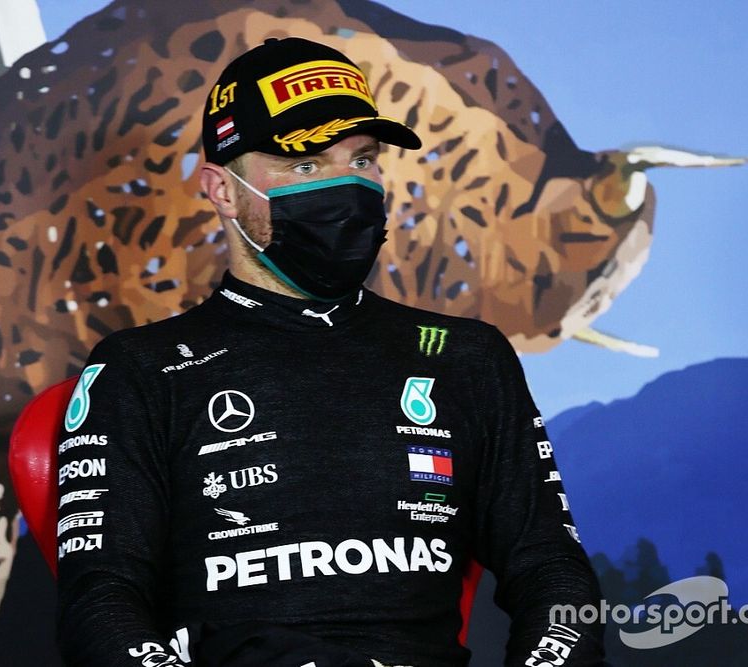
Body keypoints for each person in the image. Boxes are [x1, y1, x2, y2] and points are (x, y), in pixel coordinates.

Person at [55, 37, 605, 667]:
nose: (347, 185)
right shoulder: (140, 370)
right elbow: (101, 605)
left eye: (363, 160)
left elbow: (554, 576)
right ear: (223, 190)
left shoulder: (464, 357)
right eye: (306, 165)